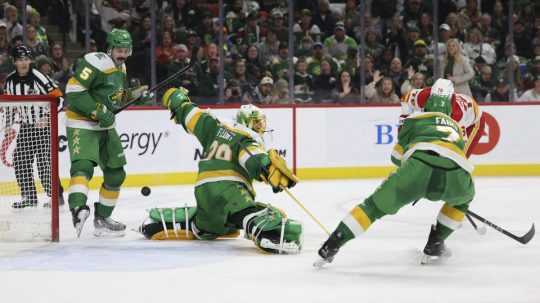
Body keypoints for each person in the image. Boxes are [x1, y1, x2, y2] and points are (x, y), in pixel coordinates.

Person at [316, 79, 475, 266]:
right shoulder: (457, 127)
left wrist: (413, 177)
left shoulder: (414, 120)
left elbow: (396, 156)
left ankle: (332, 244)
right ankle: (436, 242)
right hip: (455, 171)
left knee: (372, 208)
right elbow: (452, 154)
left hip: (417, 168)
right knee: (463, 200)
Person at [139, 87, 303, 254]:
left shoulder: (215, 126)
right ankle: (268, 233)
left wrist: (176, 99)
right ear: (246, 121)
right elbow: (252, 158)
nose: (260, 127)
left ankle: (176, 222)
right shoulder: (247, 139)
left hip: (203, 190)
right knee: (254, 212)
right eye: (257, 122)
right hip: (230, 190)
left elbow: (189, 114)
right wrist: (267, 168)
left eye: (262, 122)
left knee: (212, 220)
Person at [64, 29, 147, 237]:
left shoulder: (122, 67)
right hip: (82, 123)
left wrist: (135, 95)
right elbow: (74, 93)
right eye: (120, 49)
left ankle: (102, 219)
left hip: (105, 126)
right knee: (82, 166)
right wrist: (98, 110)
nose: (124, 54)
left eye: (127, 50)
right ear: (109, 48)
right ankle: (78, 208)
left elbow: (115, 98)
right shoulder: (95, 62)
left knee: (116, 173)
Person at [3, 45, 64, 208]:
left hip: (44, 127)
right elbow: (8, 104)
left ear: (30, 60)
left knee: (45, 163)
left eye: (26, 59)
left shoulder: (39, 77)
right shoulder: (9, 80)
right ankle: (29, 197)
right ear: (14, 61)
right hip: (26, 128)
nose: (23, 63)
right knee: (20, 160)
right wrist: (8, 124)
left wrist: (46, 117)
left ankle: (56, 196)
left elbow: (59, 99)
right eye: (19, 60)